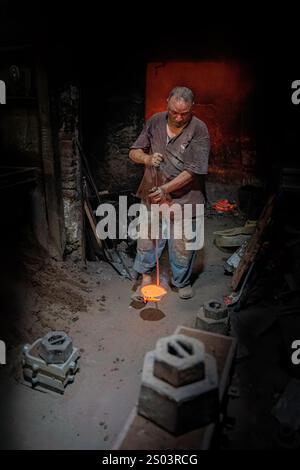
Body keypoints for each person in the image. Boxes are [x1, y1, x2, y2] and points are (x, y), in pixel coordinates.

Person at [129, 86, 210, 299]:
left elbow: (193, 171)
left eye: (184, 113)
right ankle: (146, 277)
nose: (179, 117)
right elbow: (134, 152)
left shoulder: (199, 129)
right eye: (174, 112)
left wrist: (165, 189)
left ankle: (180, 280)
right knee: (148, 237)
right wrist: (146, 158)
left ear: (193, 107)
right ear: (167, 103)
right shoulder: (155, 121)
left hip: (185, 197)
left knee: (182, 243)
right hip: (153, 191)